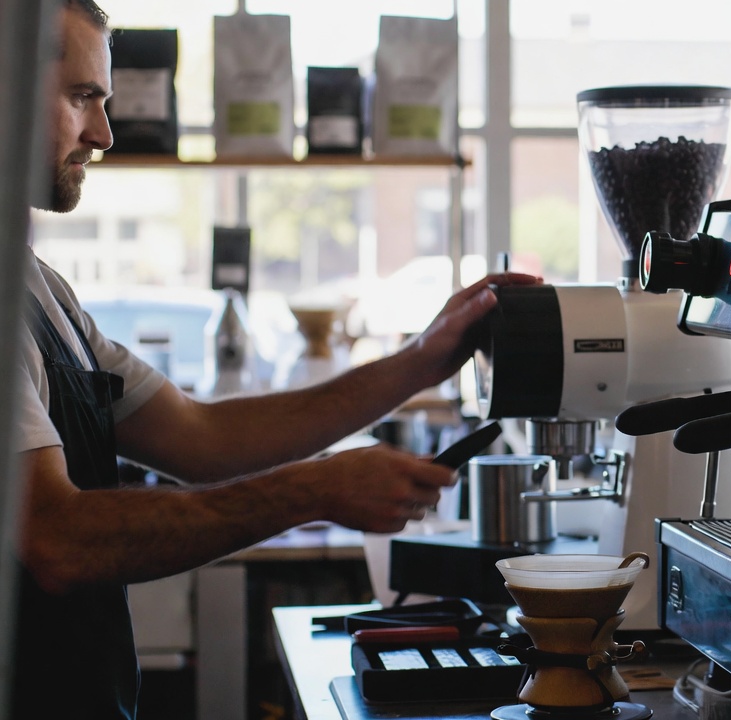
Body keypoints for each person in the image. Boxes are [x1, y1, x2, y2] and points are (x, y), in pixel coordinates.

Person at [11, 1, 540, 717]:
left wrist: (423, 358)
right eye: (81, 98)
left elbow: (200, 436)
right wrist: (314, 491)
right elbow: (58, 539)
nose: (103, 133)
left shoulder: (39, 288)